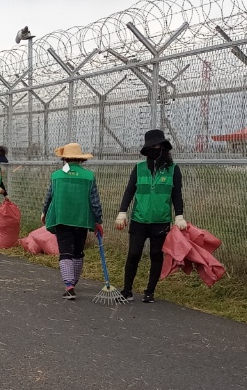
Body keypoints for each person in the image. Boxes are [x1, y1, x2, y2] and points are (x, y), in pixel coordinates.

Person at [114, 128, 187, 303]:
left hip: (160, 221)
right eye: (152, 146)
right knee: (133, 254)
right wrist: (122, 212)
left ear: (164, 147)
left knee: (156, 254)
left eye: (159, 146)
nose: (156, 149)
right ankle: (127, 290)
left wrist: (179, 216)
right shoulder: (139, 168)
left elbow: (177, 195)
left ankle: (150, 291)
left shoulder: (173, 170)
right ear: (147, 149)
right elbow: (130, 191)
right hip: (139, 220)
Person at [41, 143, 104, 300]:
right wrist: (98, 220)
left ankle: (69, 286)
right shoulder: (89, 176)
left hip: (61, 217)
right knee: (78, 251)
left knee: (65, 251)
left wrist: (44, 212)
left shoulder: (56, 176)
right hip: (81, 219)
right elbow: (94, 200)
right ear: (80, 159)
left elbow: (49, 196)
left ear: (65, 158)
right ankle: (74, 281)